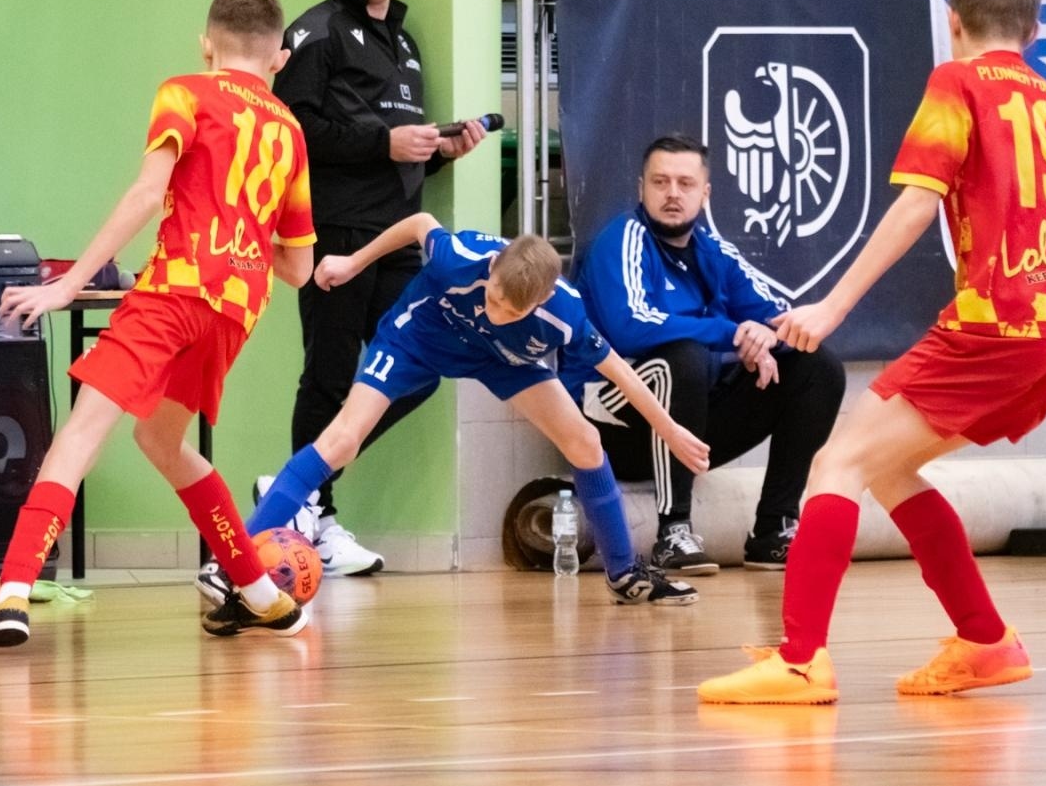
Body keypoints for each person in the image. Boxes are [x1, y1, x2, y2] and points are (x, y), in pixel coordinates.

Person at [697, 0, 1046, 704]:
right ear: (1035, 28)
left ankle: (800, 658)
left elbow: (916, 203)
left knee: (836, 463)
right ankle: (984, 639)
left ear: (954, 21)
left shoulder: (958, 82)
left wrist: (829, 306)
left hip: (993, 326)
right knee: (886, 466)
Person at [0, 0, 318, 652]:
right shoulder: (290, 130)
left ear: (206, 42)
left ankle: (11, 593)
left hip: (175, 291)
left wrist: (66, 284)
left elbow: (148, 192)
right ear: (279, 58)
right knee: (162, 442)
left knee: (78, 436)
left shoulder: (185, 91)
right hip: (235, 309)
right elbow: (299, 269)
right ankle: (260, 594)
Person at [201, 213, 711, 608]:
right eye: (493, 298)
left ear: (541, 303)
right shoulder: (460, 256)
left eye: (512, 311)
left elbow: (616, 368)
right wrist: (353, 262)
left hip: (502, 358)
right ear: (492, 269)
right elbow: (420, 224)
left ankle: (625, 575)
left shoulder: (565, 315)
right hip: (419, 339)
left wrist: (667, 428)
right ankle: (232, 564)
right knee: (342, 440)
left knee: (584, 442)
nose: (496, 310)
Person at [269, 0, 489, 577]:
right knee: (331, 375)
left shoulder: (405, 41)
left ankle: (298, 479)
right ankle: (312, 512)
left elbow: (393, 147)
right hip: (332, 233)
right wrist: (383, 141)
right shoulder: (317, 33)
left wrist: (442, 149)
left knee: (418, 366)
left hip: (394, 235)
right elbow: (293, 133)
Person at [565, 135, 845, 577]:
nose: (672, 193)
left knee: (817, 367)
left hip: (693, 425)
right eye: (660, 182)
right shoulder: (621, 240)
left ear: (705, 193)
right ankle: (673, 532)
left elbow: (781, 321)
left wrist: (765, 336)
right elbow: (630, 327)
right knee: (683, 357)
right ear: (641, 189)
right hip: (613, 423)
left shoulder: (714, 251)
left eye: (684, 183)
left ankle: (773, 530)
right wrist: (735, 333)